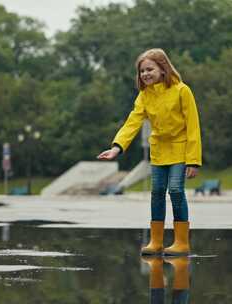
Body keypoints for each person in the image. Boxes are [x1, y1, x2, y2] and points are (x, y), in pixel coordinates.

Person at [97, 48, 202, 256]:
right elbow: (132, 123)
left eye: (149, 69)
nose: (145, 74)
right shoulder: (144, 96)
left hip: (180, 150)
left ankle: (181, 242)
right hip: (159, 152)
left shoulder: (182, 91)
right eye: (142, 71)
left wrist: (193, 160)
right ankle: (156, 241)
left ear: (163, 69)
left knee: (175, 190)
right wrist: (117, 147)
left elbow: (193, 126)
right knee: (156, 193)